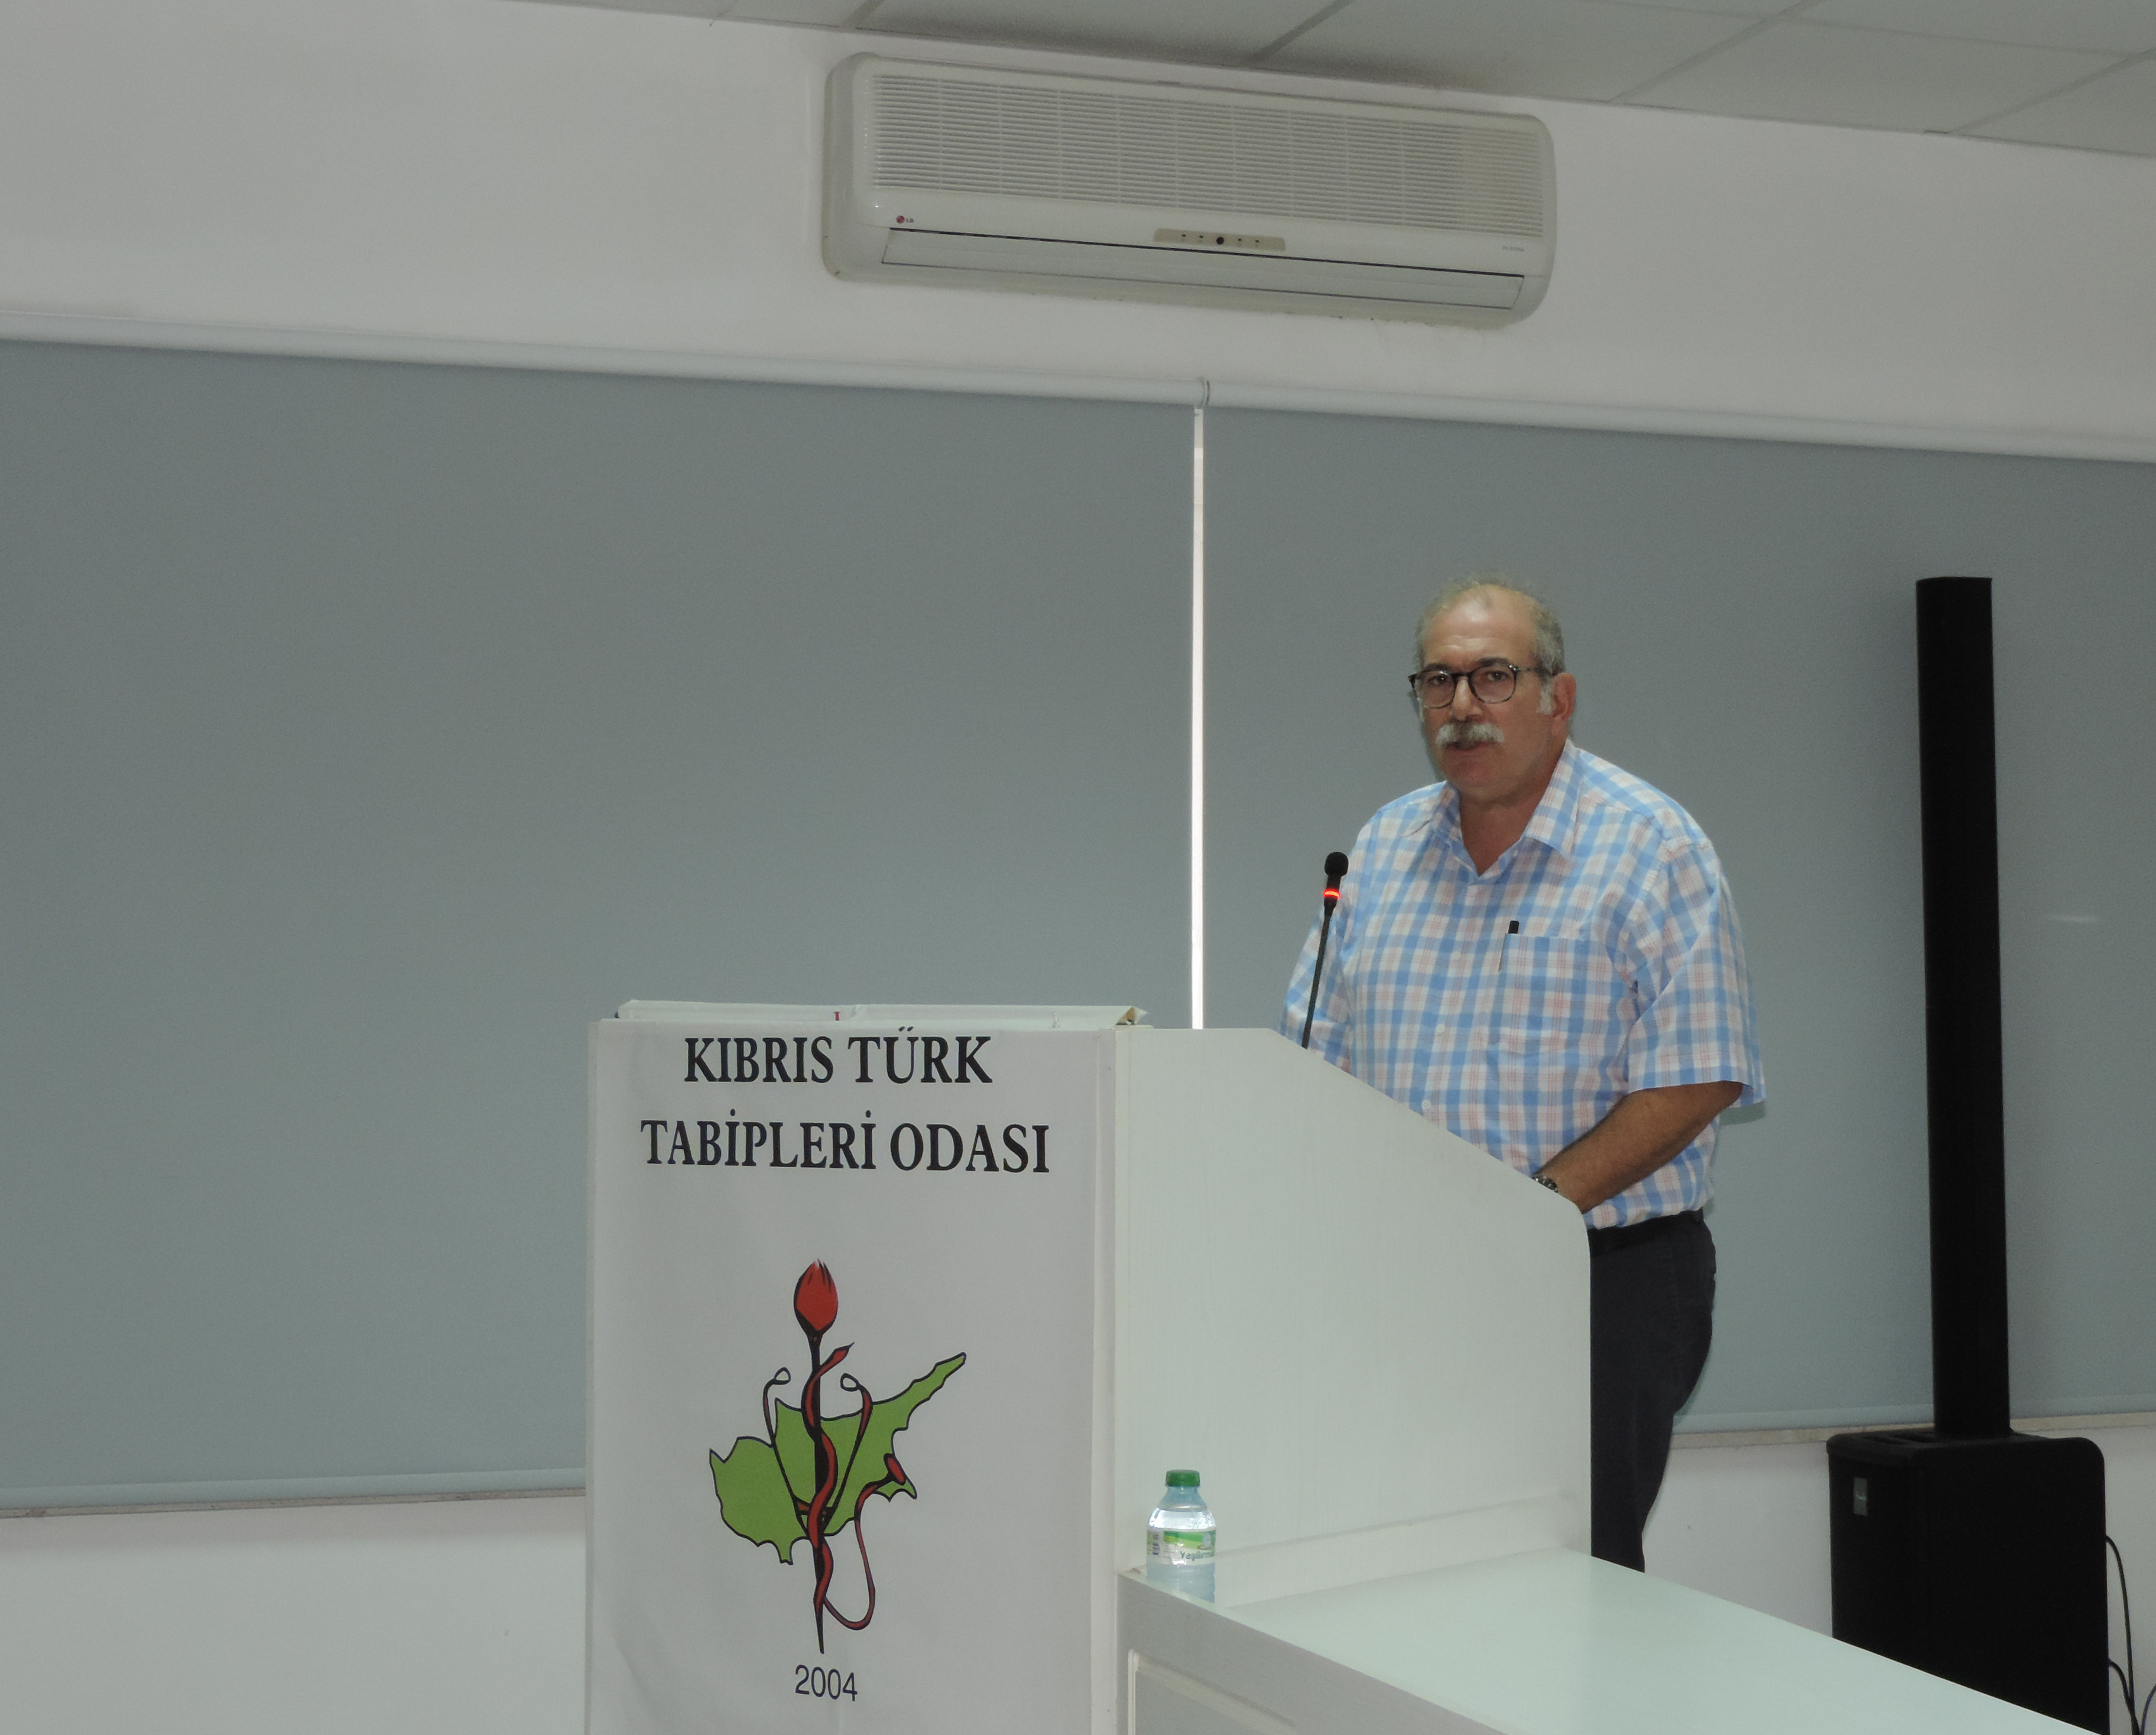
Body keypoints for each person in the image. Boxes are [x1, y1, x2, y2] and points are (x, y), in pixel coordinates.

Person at [1280, 575, 1762, 1571]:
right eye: (1439, 681)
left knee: (1566, 1576)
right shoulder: (1382, 848)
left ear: (1558, 697)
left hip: (1597, 1282)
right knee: (1400, 1565)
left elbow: (1700, 1073)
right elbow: (1316, 1053)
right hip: (1406, 1279)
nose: (1463, 706)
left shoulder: (1651, 846)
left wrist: (1523, 1214)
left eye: (1494, 677)